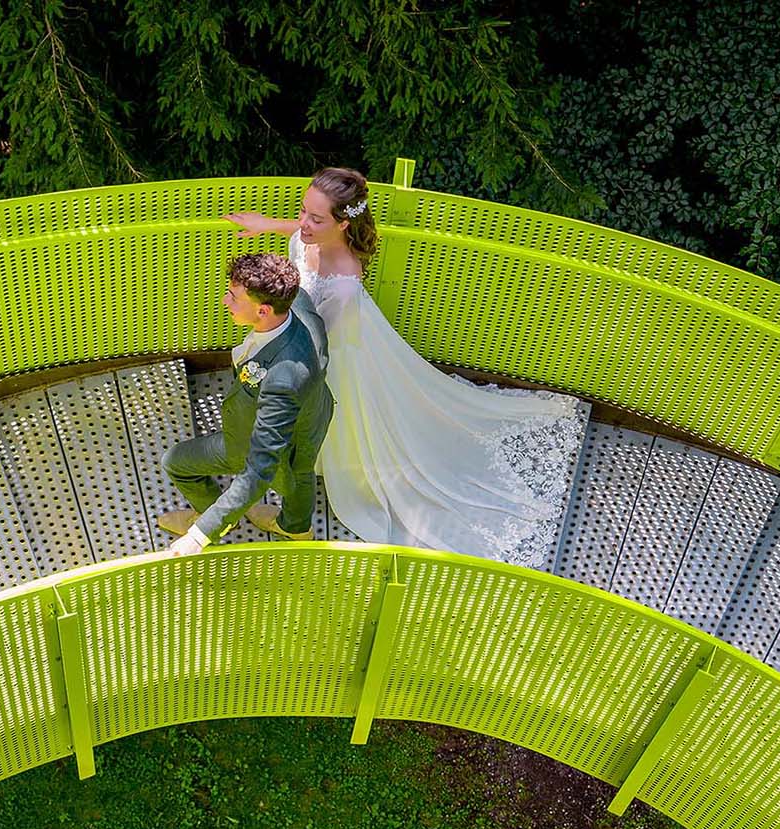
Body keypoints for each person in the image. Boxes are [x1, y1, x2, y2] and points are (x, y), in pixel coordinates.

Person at [223, 168, 589, 568]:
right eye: (303, 213)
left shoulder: (343, 284)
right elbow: (300, 232)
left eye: (316, 218)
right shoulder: (312, 234)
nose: (304, 224)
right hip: (313, 334)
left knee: (332, 426)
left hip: (331, 354)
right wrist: (267, 225)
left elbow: (316, 341)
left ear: (342, 223)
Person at [158, 253, 334, 553]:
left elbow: (257, 470)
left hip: (267, 437)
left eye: (234, 297)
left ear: (264, 310)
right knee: (301, 472)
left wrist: (200, 535)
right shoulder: (297, 302)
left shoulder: (283, 379)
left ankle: (216, 516)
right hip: (314, 415)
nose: (226, 302)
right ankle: (296, 528)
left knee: (176, 462)